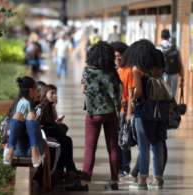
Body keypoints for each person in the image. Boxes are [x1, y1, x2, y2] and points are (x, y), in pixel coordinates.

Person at [66, 42, 122, 191]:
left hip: (93, 114)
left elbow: (83, 89)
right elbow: (117, 93)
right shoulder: (112, 72)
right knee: (113, 148)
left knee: (90, 148)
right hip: (110, 113)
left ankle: (85, 182)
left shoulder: (87, 71)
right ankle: (115, 180)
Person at [123, 40, 167, 190]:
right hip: (160, 111)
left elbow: (139, 92)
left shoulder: (137, 69)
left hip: (143, 112)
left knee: (144, 147)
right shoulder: (158, 68)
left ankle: (142, 181)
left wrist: (133, 96)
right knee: (157, 145)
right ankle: (158, 179)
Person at [36, 84, 81, 182]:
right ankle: (66, 170)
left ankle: (67, 170)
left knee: (66, 139)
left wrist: (54, 108)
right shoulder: (42, 107)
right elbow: (39, 124)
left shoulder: (49, 106)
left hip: (50, 133)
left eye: (55, 93)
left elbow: (51, 122)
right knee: (64, 139)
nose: (54, 95)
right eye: (52, 93)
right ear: (45, 93)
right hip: (44, 136)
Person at [110, 41, 133, 177]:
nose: (117, 59)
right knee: (115, 140)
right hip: (115, 111)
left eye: (119, 56)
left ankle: (125, 167)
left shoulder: (128, 71)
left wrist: (129, 112)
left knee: (123, 140)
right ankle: (118, 167)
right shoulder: (115, 71)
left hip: (124, 111)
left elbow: (130, 93)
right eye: (114, 56)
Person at [158, 29, 184, 98]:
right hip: (174, 74)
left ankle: (164, 108)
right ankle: (172, 107)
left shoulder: (158, 48)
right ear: (169, 37)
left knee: (163, 94)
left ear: (161, 36)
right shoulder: (175, 48)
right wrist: (182, 78)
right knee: (173, 95)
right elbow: (180, 63)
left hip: (163, 74)